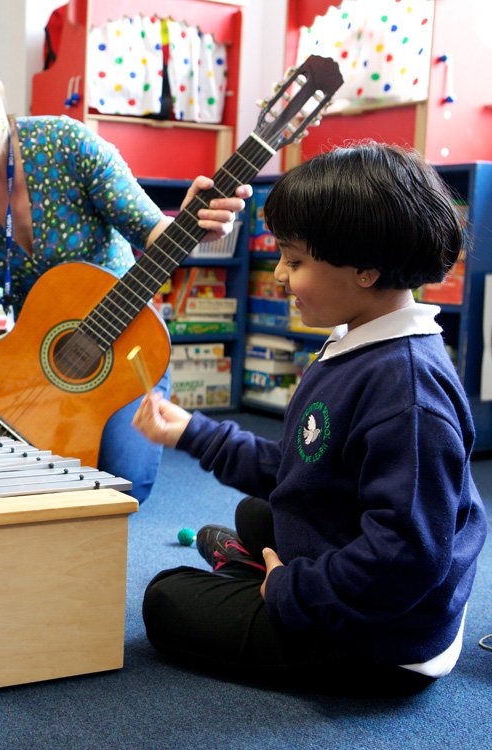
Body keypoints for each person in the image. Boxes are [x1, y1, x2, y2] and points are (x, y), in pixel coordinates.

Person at [132, 142, 487, 691]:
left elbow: (407, 558)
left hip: (384, 641)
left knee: (165, 599)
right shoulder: (358, 341)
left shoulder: (409, 394)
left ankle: (263, 574)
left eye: (295, 261)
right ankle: (261, 561)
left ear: (365, 270)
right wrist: (192, 432)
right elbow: (304, 464)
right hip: (373, 583)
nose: (278, 274)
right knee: (260, 512)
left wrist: (290, 593)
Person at [0, 38, 250, 502]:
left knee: (120, 486)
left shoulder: (69, 143)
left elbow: (151, 231)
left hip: (124, 343)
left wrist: (192, 227)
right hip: (36, 355)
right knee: (8, 477)